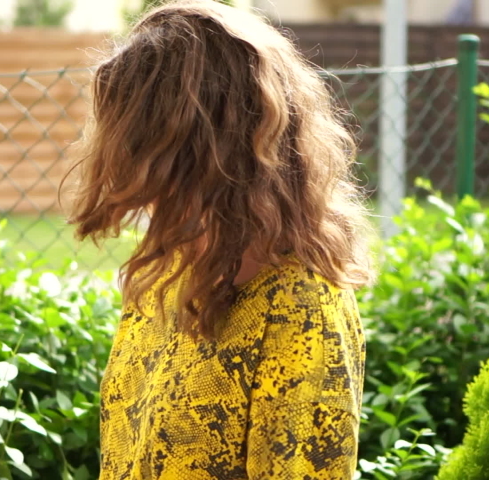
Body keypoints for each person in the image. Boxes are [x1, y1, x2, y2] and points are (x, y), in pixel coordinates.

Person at [64, 1, 374, 478]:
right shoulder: (166, 273)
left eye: (137, 147)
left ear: (196, 155)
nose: (122, 169)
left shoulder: (301, 309)